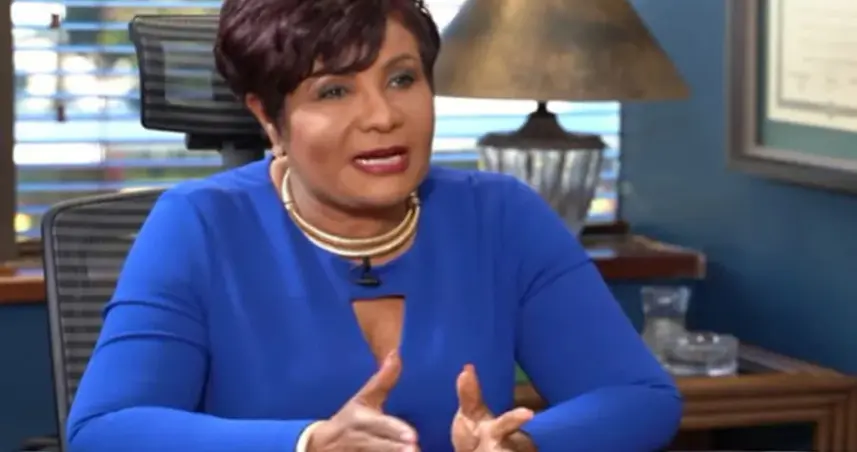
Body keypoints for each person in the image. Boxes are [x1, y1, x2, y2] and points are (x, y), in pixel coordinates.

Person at [66, 0, 682, 450]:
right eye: (334, 92)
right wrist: (308, 444)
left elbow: (639, 398)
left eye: (402, 79)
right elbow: (106, 429)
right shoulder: (199, 225)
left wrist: (521, 445)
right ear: (270, 120)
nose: (383, 116)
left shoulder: (501, 215)